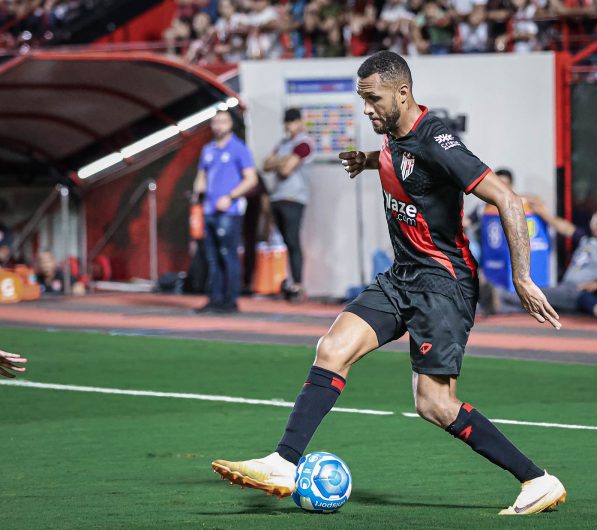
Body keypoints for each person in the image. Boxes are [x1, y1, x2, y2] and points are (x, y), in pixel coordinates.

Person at [212, 51, 566, 516]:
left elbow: (508, 199)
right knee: (332, 348)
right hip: (402, 277)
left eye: (373, 99)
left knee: (435, 404)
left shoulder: (437, 140)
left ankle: (537, 480)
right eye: (362, 99)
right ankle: (283, 462)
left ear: (403, 94)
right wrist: (368, 161)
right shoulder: (394, 135)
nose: (366, 109)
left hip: (443, 284)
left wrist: (522, 277)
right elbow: (405, 165)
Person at [482, 200, 597, 317]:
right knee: (538, 308)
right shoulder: (585, 239)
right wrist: (543, 212)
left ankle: (499, 295)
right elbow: (565, 228)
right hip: (565, 288)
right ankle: (497, 306)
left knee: (536, 296)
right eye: (596, 222)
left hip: (580, 292)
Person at [193, 109, 258, 313]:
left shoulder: (238, 148)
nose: (219, 125)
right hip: (209, 210)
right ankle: (215, 298)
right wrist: (198, 195)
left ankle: (230, 300)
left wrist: (230, 197)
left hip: (229, 212)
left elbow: (251, 179)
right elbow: (202, 175)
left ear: (231, 124)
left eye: (223, 121)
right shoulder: (208, 149)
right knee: (212, 257)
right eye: (215, 121)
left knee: (227, 255)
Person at [263, 107, 316, 301]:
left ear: (300, 122)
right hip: (277, 198)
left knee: (293, 242)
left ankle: (298, 285)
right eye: (287, 122)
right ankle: (290, 282)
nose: (289, 126)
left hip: (294, 199)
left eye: (293, 121)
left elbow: (285, 169)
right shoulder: (283, 143)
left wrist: (278, 161)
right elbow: (265, 164)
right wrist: (281, 160)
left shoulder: (304, 144)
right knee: (285, 243)